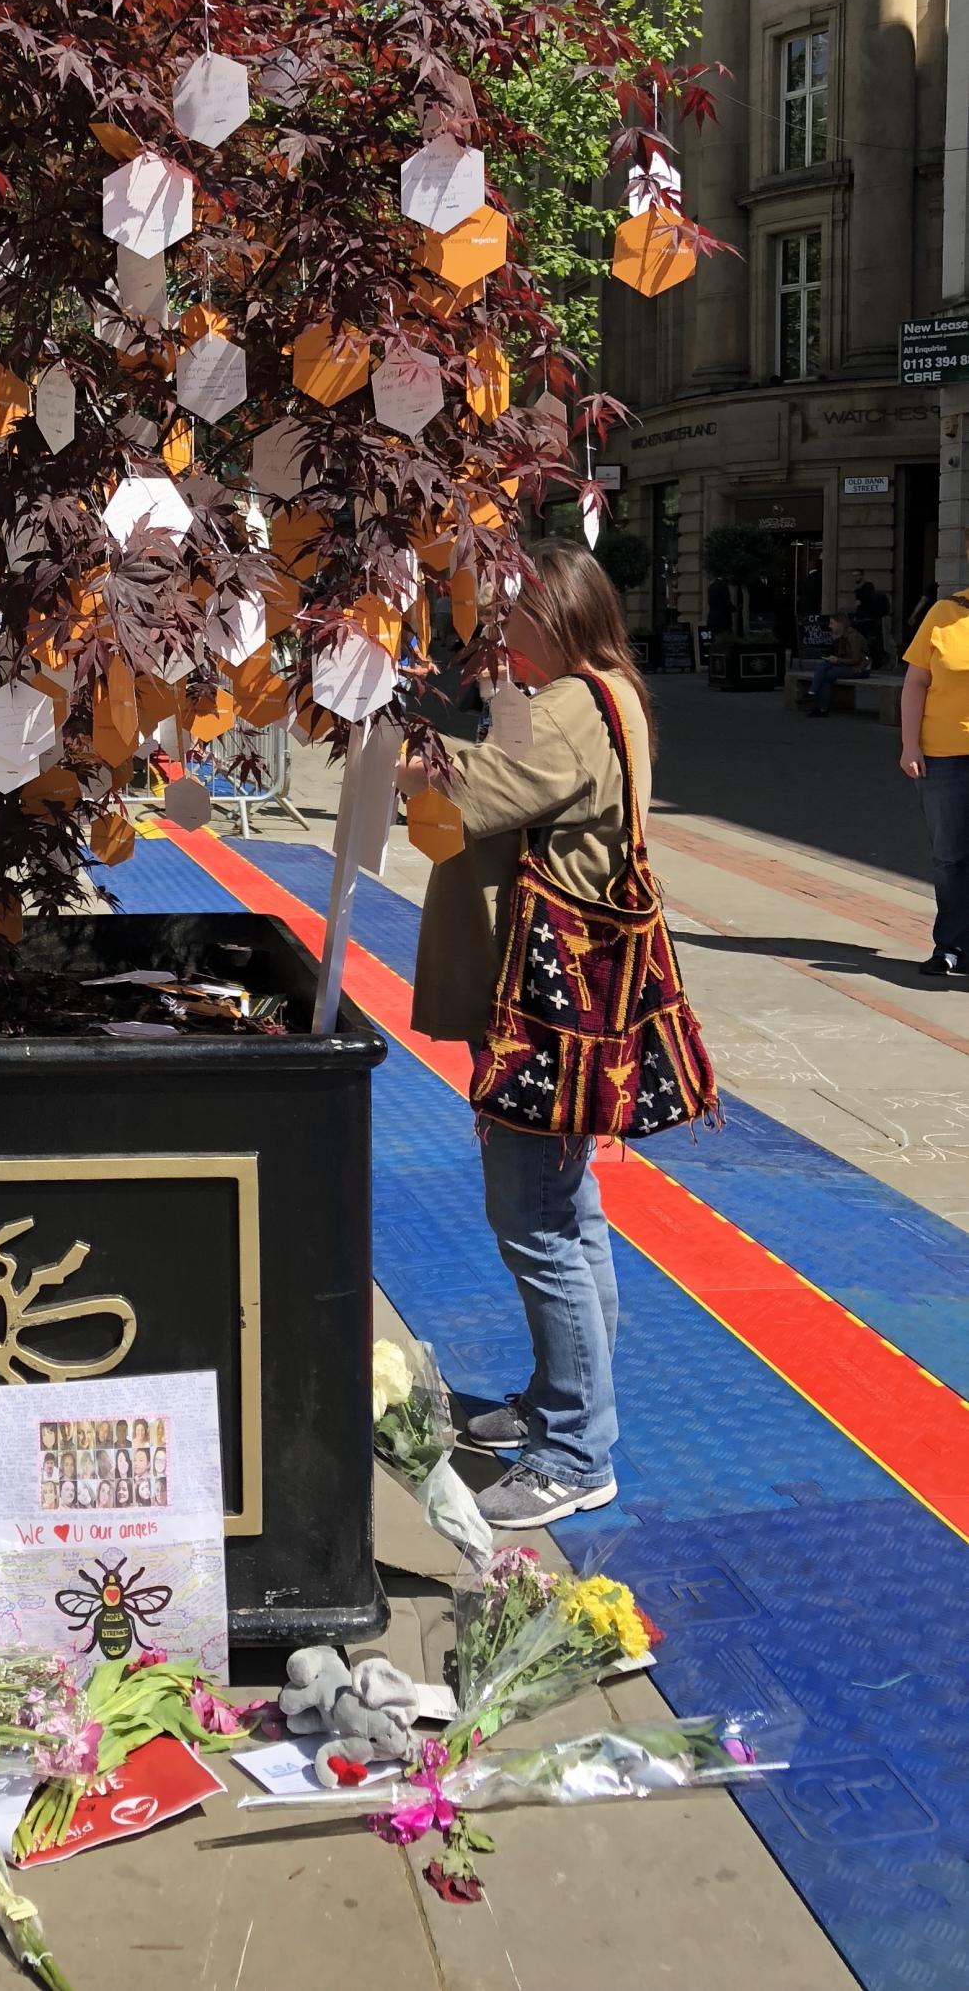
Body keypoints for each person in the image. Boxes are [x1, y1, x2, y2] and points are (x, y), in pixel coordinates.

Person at [407, 539, 662, 1531]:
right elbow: (519, 763)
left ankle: (575, 1449)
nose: (492, 630)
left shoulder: (573, 707)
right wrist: (497, 683)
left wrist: (393, 733)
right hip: (560, 1000)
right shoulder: (598, 693)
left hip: (543, 1008)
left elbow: (474, 790)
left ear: (555, 618)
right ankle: (563, 1406)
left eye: (508, 616)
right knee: (567, 1211)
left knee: (538, 1222)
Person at [901, 545, 969, 981]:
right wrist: (910, 746)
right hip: (942, 757)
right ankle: (951, 947)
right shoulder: (945, 613)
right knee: (950, 857)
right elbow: (915, 684)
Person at [803, 615, 869, 716]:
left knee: (828, 675)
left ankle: (821, 708)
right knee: (823, 666)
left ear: (840, 624)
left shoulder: (853, 636)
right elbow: (839, 654)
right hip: (845, 665)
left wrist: (837, 660)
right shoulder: (840, 636)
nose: (830, 626)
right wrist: (835, 642)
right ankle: (812, 692)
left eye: (832, 623)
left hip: (859, 669)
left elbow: (856, 660)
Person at [851, 577, 890, 670]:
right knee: (877, 642)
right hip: (876, 621)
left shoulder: (862, 597)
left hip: (865, 622)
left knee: (867, 643)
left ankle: (871, 661)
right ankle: (878, 661)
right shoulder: (880, 596)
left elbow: (859, 609)